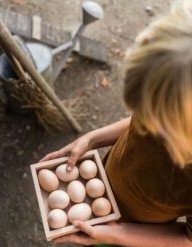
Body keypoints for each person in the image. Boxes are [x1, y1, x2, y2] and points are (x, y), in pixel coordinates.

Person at [41, 0, 192, 246]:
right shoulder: (174, 85)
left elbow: (187, 239)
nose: (147, 125)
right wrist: (92, 139)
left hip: (136, 231)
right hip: (111, 179)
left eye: (161, 124)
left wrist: (114, 233)